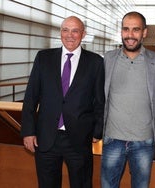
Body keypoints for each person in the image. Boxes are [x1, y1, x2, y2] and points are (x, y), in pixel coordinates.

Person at [21, 16, 105, 188]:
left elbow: (99, 100)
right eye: (65, 30)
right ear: (60, 33)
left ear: (83, 34)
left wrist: (97, 131)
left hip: (80, 139)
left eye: (75, 31)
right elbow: (30, 97)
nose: (70, 35)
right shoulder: (43, 58)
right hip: (46, 138)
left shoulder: (96, 62)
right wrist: (28, 131)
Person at [101, 11, 155, 188]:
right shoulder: (108, 59)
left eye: (135, 30)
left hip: (144, 141)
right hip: (112, 139)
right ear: (121, 31)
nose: (130, 35)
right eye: (126, 29)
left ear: (144, 32)